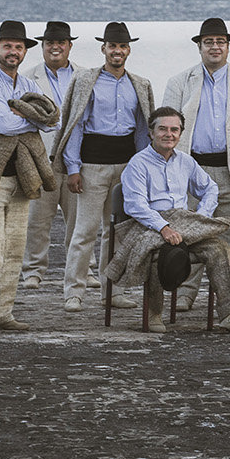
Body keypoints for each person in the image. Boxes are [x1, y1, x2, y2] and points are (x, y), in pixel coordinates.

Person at [161, 18, 230, 312]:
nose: (215, 47)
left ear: (228, 47)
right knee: (191, 233)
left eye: (220, 41)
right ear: (200, 47)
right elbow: (167, 126)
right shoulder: (180, 82)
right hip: (193, 171)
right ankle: (185, 292)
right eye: (209, 42)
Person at [118, 107, 230, 334]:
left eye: (174, 129)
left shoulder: (186, 162)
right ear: (151, 132)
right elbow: (135, 206)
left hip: (185, 223)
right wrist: (164, 227)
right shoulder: (138, 164)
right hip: (149, 225)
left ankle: (229, 314)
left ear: (180, 134)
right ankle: (154, 314)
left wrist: (202, 216)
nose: (169, 134)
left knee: (219, 248)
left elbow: (210, 188)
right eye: (163, 129)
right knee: (159, 252)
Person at [0, 21, 58, 335]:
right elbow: (3, 124)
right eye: (7, 46)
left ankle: (3, 312)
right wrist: (28, 116)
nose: (13, 52)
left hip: (20, 172)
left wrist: (25, 114)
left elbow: (50, 120)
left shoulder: (24, 85)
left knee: (15, 246)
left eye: (18, 47)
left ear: (24, 51)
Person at [55, 22, 154, 314]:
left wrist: (142, 169)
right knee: (84, 231)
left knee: (117, 232)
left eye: (122, 46)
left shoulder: (141, 84)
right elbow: (74, 126)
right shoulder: (86, 80)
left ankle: (113, 291)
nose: (117, 51)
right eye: (112, 46)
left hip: (125, 167)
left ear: (128, 50)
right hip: (92, 165)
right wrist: (73, 167)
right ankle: (74, 292)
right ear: (104, 49)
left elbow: (142, 129)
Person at [19, 21, 78, 291]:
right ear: (42, 47)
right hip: (41, 158)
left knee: (79, 221)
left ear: (69, 46)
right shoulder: (27, 77)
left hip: (78, 158)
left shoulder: (86, 75)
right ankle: (33, 271)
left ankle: (82, 269)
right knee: (37, 220)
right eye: (50, 43)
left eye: (61, 43)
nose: (56, 47)